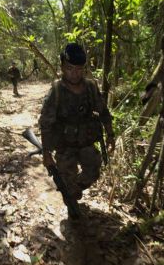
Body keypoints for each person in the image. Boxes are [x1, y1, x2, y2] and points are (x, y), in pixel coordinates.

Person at [38, 43, 115, 217]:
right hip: (64, 146)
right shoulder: (57, 91)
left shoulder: (90, 87)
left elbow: (103, 111)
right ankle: (71, 201)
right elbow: (46, 123)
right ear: (63, 68)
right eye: (70, 69)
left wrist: (110, 135)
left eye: (79, 69)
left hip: (86, 142)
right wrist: (46, 153)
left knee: (94, 170)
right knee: (66, 180)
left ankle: (75, 190)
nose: (74, 73)